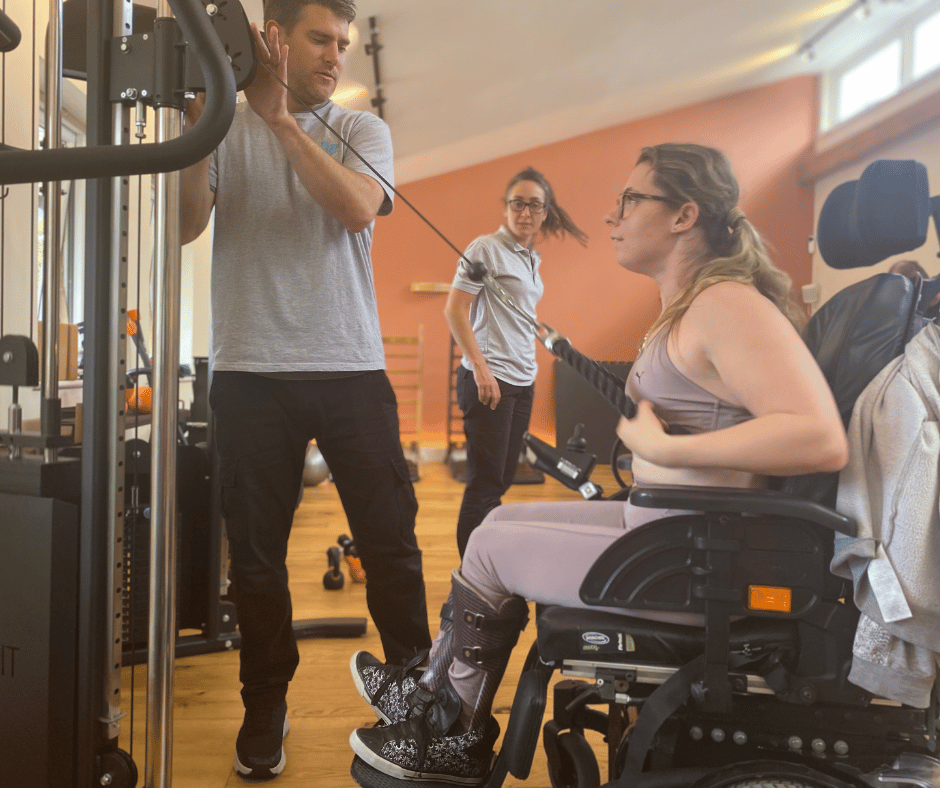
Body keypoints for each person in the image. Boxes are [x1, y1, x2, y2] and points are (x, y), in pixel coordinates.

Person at [347, 143, 849, 785]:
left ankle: (447, 727)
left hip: (694, 563)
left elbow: (818, 436)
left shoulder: (726, 304)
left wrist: (668, 449)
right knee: (491, 527)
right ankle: (440, 704)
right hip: (674, 540)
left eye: (631, 200)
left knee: (491, 552)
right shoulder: (699, 304)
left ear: (683, 215)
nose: (613, 217)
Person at [179, 0, 432, 780]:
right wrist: (199, 120)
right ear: (275, 38)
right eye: (321, 38)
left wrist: (282, 119)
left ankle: (416, 707)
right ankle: (266, 703)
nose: (336, 56)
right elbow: (187, 225)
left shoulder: (362, 131)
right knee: (253, 563)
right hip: (252, 372)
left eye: (344, 43)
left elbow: (357, 209)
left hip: (350, 369)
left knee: (390, 548)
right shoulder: (223, 126)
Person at [444, 168, 587, 557]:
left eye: (534, 205)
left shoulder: (529, 256)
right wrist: (481, 368)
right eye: (517, 203)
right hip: (492, 378)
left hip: (524, 377)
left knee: (504, 477)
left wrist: (546, 333)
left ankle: (487, 560)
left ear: (545, 211)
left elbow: (515, 309)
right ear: (507, 208)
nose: (525, 212)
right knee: (486, 484)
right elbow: (455, 310)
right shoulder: (485, 249)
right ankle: (474, 572)